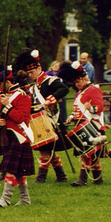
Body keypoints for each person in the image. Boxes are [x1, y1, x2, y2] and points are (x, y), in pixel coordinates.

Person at [14, 50, 70, 184]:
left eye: (32, 72)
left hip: (51, 120)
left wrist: (51, 99)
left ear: (39, 68)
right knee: (47, 149)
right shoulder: (33, 87)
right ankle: (61, 176)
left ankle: (41, 178)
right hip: (39, 121)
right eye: (29, 73)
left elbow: (64, 89)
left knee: (45, 151)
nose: (30, 75)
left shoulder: (50, 81)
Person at [59, 61, 107, 187]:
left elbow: (100, 107)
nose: (77, 84)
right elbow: (78, 110)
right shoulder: (80, 92)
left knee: (87, 153)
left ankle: (82, 179)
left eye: (79, 81)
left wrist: (91, 108)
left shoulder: (93, 90)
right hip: (82, 125)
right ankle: (98, 179)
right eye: (75, 82)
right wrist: (71, 117)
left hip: (93, 125)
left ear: (85, 79)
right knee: (91, 154)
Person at [0, 70, 35, 208]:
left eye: (1, 84)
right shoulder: (3, 96)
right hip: (8, 136)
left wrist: (8, 106)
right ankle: (25, 199)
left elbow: (21, 118)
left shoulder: (22, 96)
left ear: (8, 82)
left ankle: (5, 199)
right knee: (19, 171)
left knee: (10, 169)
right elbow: (0, 115)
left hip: (19, 135)